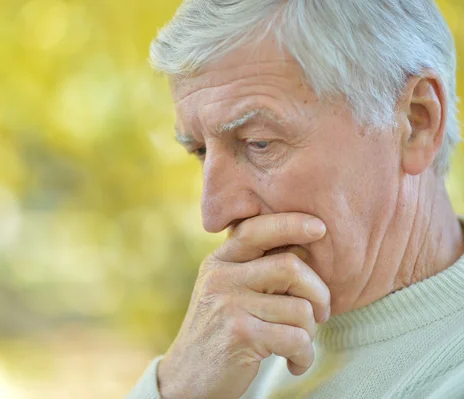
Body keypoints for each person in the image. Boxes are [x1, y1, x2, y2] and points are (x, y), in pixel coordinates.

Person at [127, 1, 464, 398]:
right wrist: (178, 386)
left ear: (416, 123)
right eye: (201, 151)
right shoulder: (233, 342)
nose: (214, 214)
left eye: (259, 143)